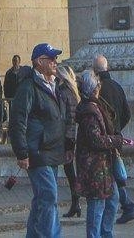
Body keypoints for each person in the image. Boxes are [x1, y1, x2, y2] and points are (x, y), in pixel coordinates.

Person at [10, 42, 69, 238]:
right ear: (39, 62)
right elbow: (18, 120)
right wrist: (22, 152)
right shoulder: (29, 87)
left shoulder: (55, 85)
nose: (55, 62)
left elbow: (61, 117)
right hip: (38, 151)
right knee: (49, 196)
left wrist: (67, 146)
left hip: (53, 151)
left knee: (42, 198)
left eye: (55, 58)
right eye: (51, 58)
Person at [91, 55, 134, 224]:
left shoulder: (98, 90)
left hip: (106, 139)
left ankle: (126, 205)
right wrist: (117, 130)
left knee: (112, 174)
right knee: (116, 173)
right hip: (116, 137)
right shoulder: (117, 86)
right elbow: (127, 114)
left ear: (95, 71)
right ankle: (127, 205)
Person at [75, 72, 119, 238]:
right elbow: (95, 140)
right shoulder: (90, 112)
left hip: (102, 166)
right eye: (98, 85)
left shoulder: (95, 107)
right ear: (95, 89)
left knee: (112, 200)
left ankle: (106, 234)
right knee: (97, 206)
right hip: (93, 166)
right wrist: (116, 140)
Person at [55, 63, 81, 218]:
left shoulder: (63, 92)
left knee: (70, 171)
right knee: (70, 171)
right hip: (73, 135)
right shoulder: (73, 91)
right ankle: (75, 203)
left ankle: (76, 202)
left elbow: (65, 117)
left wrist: (67, 139)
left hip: (67, 136)